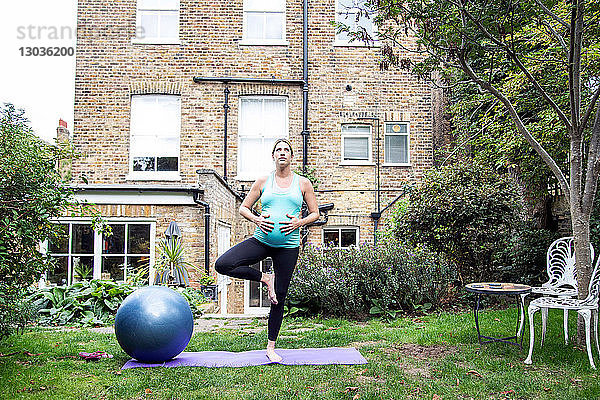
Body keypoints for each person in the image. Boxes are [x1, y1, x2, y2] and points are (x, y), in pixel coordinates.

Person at [215, 138, 319, 362]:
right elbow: (244, 207)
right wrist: (257, 219)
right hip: (261, 240)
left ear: (291, 157)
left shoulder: (303, 183)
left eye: (286, 150)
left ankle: (271, 348)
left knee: (279, 298)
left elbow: (315, 213)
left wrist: (299, 223)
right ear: (273, 156)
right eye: (278, 150)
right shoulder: (263, 181)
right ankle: (265, 278)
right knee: (223, 264)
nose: (282, 153)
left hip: (288, 247)